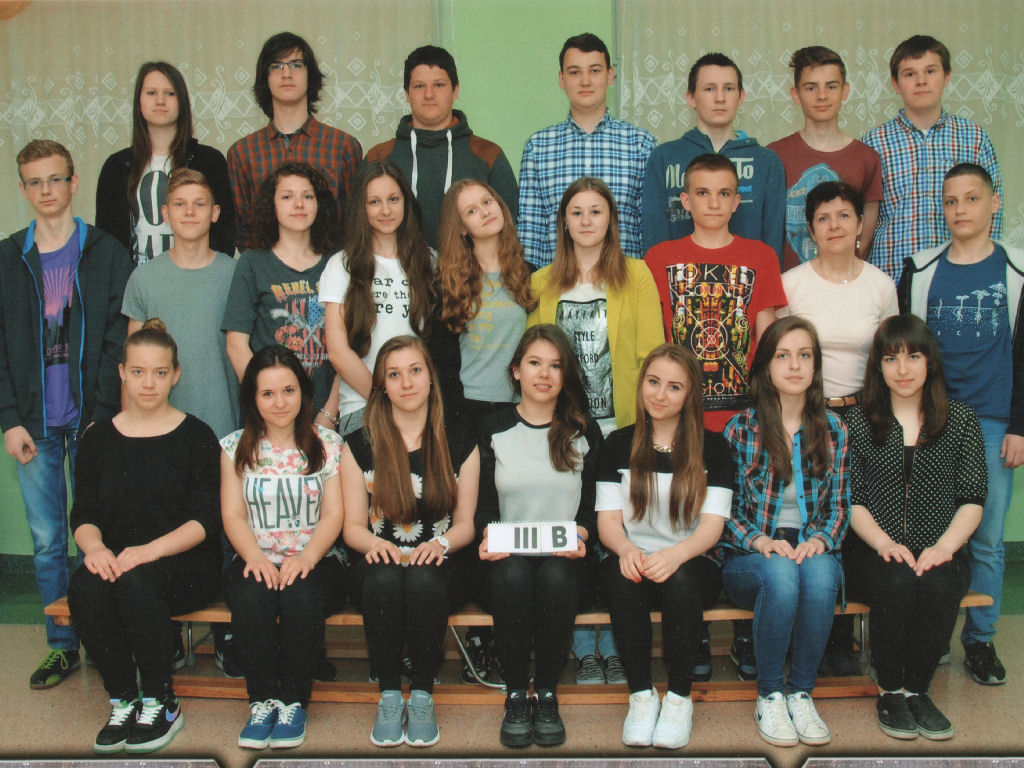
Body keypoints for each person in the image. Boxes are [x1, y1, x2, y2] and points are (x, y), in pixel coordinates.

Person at [645, 153, 786, 681]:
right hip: (682, 418)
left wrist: (767, 408)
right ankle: (696, 631)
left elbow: (767, 336)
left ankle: (746, 632)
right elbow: (657, 339)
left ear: (737, 200)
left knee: (743, 518)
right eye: (702, 193)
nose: (713, 202)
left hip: (741, 416)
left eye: (724, 193)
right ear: (685, 201)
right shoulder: (660, 258)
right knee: (687, 517)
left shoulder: (759, 256)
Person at [0, 140, 131, 689]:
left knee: (98, 533)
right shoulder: (8, 257)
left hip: (91, 422)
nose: (46, 190)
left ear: (73, 183)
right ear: (23, 189)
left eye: (55, 179)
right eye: (35, 181)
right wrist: (10, 419)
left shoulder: (105, 251)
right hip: (33, 425)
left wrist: (102, 413)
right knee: (47, 540)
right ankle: (61, 646)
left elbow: (118, 337)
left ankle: (100, 636)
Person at [529, 176, 664, 683]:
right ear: (564, 222)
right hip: (563, 431)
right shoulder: (542, 282)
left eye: (596, 211)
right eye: (577, 212)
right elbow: (535, 357)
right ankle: (583, 645)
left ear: (611, 220)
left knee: (617, 535)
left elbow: (651, 353)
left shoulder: (637, 274)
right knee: (575, 533)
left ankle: (614, 642)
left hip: (621, 426)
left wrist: (645, 425)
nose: (586, 220)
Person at [67, 320, 221, 754]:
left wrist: (149, 552)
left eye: (159, 372)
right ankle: (123, 699)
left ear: (175, 375)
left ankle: (160, 699)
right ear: (122, 373)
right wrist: (95, 548)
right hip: (121, 561)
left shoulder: (197, 436)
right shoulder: (98, 438)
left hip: (185, 565)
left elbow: (205, 520)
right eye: (138, 371)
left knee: (136, 581)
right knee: (84, 585)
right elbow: (84, 514)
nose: (148, 383)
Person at [898, 162, 1023, 685]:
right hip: (932, 420)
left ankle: (980, 640)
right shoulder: (920, 270)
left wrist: (1019, 425)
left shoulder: (1017, 270)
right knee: (929, 529)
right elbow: (905, 352)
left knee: (987, 538)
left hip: (993, 420)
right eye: (951, 201)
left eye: (972, 199)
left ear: (994, 203)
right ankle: (933, 633)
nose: (960, 210)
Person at [845, 315, 985, 741]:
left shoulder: (961, 420)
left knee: (940, 583)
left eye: (913, 357)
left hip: (941, 547)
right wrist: (884, 543)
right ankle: (890, 690)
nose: (902, 369)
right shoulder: (859, 422)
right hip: (872, 550)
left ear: (930, 362)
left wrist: (944, 547)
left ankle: (917, 690)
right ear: (878, 366)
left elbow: (973, 498)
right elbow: (852, 498)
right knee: (897, 580)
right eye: (891, 358)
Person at [778, 180, 897, 675]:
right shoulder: (793, 283)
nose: (834, 226)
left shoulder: (881, 285)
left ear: (860, 223)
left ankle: (842, 638)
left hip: (865, 416)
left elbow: (891, 355)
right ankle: (807, 637)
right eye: (823, 218)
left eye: (844, 216)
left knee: (852, 520)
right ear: (810, 230)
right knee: (814, 517)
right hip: (807, 415)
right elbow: (781, 353)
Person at [341, 335, 479, 748]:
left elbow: (466, 524)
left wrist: (439, 546)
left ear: (431, 378)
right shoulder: (359, 444)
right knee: (384, 578)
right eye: (394, 375)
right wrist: (373, 546)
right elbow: (352, 528)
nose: (406, 383)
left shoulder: (460, 441)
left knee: (422, 579)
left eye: (415, 371)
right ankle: (388, 694)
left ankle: (421, 695)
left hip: (439, 563)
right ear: (382, 386)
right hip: (378, 562)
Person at [720, 316, 849, 748]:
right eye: (783, 355)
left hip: (810, 545)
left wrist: (820, 540)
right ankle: (771, 694)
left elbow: (840, 507)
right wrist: (759, 541)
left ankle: (801, 693)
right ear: (766, 367)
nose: (794, 365)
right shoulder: (741, 429)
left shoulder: (834, 429)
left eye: (804, 355)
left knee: (821, 575)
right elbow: (725, 513)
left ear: (815, 366)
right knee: (780, 574)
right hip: (751, 555)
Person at [597, 344, 733, 749]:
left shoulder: (713, 448)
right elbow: (608, 522)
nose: (660, 394)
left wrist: (675, 555)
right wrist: (626, 550)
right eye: (653, 382)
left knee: (682, 581)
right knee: (620, 578)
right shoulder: (617, 443)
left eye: (674, 387)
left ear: (690, 395)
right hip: (633, 555)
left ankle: (678, 698)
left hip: (691, 559)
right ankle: (641, 695)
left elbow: (712, 526)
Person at [477, 324, 601, 747]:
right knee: (513, 575)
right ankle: (516, 693)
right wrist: (486, 537)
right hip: (505, 561)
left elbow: (593, 508)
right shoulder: (491, 428)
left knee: (555, 576)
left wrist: (582, 533)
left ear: (566, 375)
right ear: (516, 370)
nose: (544, 374)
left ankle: (546, 692)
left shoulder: (584, 431)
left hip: (566, 563)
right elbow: (482, 505)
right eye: (534, 363)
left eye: (555, 365)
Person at [220, 345, 346, 750]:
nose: (279, 402)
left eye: (288, 391)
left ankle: (292, 701)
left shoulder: (328, 444)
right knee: (252, 595)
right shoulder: (234, 447)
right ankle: (261, 702)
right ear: (253, 398)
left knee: (300, 594)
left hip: (317, 559)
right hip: (254, 556)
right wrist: (255, 557)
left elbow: (333, 514)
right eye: (268, 393)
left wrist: (307, 557)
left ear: (303, 392)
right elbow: (233, 514)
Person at [862, 35, 1003, 282]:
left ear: (947, 76)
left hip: (958, 278)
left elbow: (992, 214)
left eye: (930, 71)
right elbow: (861, 219)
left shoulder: (974, 137)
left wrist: (985, 271)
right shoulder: (873, 143)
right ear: (895, 83)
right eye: (910, 74)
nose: (921, 81)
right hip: (892, 277)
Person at [518, 32, 656, 266]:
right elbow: (530, 232)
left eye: (594, 71)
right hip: (559, 283)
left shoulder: (641, 144)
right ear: (561, 79)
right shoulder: (538, 147)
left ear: (610, 75)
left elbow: (650, 227)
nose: (585, 81)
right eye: (574, 72)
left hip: (624, 282)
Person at [320, 160, 436, 436]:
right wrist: (385, 399)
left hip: (421, 408)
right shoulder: (342, 265)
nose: (386, 210)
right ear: (361, 208)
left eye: (393, 199)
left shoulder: (430, 261)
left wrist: (408, 403)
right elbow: (338, 352)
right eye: (374, 202)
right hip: (364, 406)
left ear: (406, 202)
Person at [122, 168, 239, 438]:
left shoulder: (236, 275)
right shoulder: (143, 278)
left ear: (215, 212)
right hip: (159, 428)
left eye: (199, 204)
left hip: (224, 426)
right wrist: (129, 433)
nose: (189, 212)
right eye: (179, 204)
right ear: (165, 214)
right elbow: (132, 363)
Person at [365, 45, 518, 248]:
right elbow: (360, 226)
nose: (429, 94)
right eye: (419, 86)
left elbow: (509, 226)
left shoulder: (487, 154)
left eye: (438, 85)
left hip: (469, 267)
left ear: (455, 90)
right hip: (398, 267)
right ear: (407, 94)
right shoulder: (379, 157)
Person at [641, 52, 785, 261]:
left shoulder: (767, 162)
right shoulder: (664, 158)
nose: (720, 98)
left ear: (741, 97)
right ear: (691, 97)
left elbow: (773, 241)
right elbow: (654, 237)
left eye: (729, 88)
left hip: (746, 279)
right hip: (680, 279)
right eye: (709, 89)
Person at [222, 161, 339, 416]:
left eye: (307, 196)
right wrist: (265, 402)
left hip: (326, 412)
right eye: (287, 196)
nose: (298, 204)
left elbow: (351, 348)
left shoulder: (338, 264)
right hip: (269, 413)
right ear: (271, 205)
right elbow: (236, 345)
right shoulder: (252, 263)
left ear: (319, 204)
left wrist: (329, 414)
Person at [228, 31, 362, 250]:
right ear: (265, 78)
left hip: (330, 267)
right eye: (276, 66)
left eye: (296, 65)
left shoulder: (343, 146)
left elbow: (354, 225)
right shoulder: (243, 152)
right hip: (265, 269)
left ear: (311, 76)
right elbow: (244, 231)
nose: (287, 74)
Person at [96, 61, 235, 263]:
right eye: (151, 93)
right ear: (139, 102)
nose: (160, 101)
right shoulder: (116, 166)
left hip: (195, 276)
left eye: (170, 93)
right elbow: (106, 241)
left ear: (182, 102)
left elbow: (225, 231)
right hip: (135, 278)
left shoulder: (209, 161)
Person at [766, 46, 882, 270]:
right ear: (795, 94)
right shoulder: (774, 155)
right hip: (788, 285)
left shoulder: (867, 158)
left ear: (845, 91)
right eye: (811, 88)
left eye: (831, 86)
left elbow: (864, 240)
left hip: (845, 283)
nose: (822, 96)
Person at [437, 178, 537, 428]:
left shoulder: (528, 274)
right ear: (461, 227)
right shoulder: (449, 283)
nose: (484, 212)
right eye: (471, 211)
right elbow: (443, 365)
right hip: (468, 409)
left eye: (487, 202)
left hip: (521, 408)